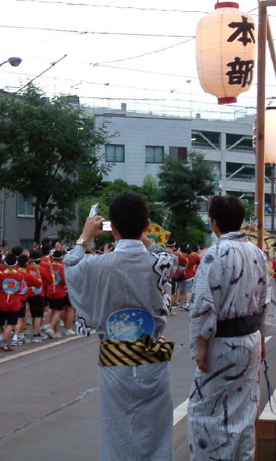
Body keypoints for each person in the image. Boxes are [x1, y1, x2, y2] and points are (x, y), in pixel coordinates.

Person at [65, 192, 176, 461]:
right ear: (147, 225)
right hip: (152, 349)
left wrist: (85, 236)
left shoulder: (97, 265)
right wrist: (141, 232)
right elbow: (164, 253)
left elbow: (70, 264)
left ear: (111, 228)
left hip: (114, 353)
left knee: (116, 429)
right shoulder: (160, 262)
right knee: (157, 430)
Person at [188, 195, 269, 461]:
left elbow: (203, 303)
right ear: (242, 221)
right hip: (251, 340)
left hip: (222, 343)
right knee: (243, 410)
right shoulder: (257, 252)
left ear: (213, 222)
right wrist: (264, 339)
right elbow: (266, 299)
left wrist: (200, 345)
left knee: (207, 412)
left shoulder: (215, 254)